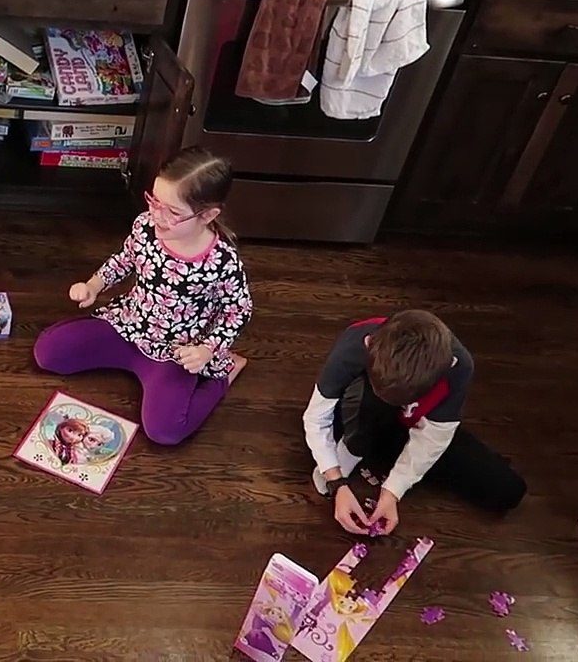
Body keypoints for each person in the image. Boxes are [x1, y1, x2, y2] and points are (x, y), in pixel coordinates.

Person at [33, 146, 253, 446]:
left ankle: (227, 372)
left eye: (173, 212)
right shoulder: (145, 225)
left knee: (164, 431)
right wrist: (94, 285)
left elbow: (238, 310)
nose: (158, 216)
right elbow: (125, 259)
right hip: (128, 325)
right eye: (154, 201)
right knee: (48, 352)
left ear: (208, 215)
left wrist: (208, 350)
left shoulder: (222, 262)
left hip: (176, 352)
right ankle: (128, 357)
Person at [302, 310, 527, 536]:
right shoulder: (354, 343)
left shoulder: (458, 366)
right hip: (358, 409)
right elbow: (316, 417)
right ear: (368, 344)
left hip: (411, 423)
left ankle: (378, 448)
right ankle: (353, 449)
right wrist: (336, 481)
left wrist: (393, 491)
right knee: (367, 405)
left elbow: (435, 436)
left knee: (508, 491)